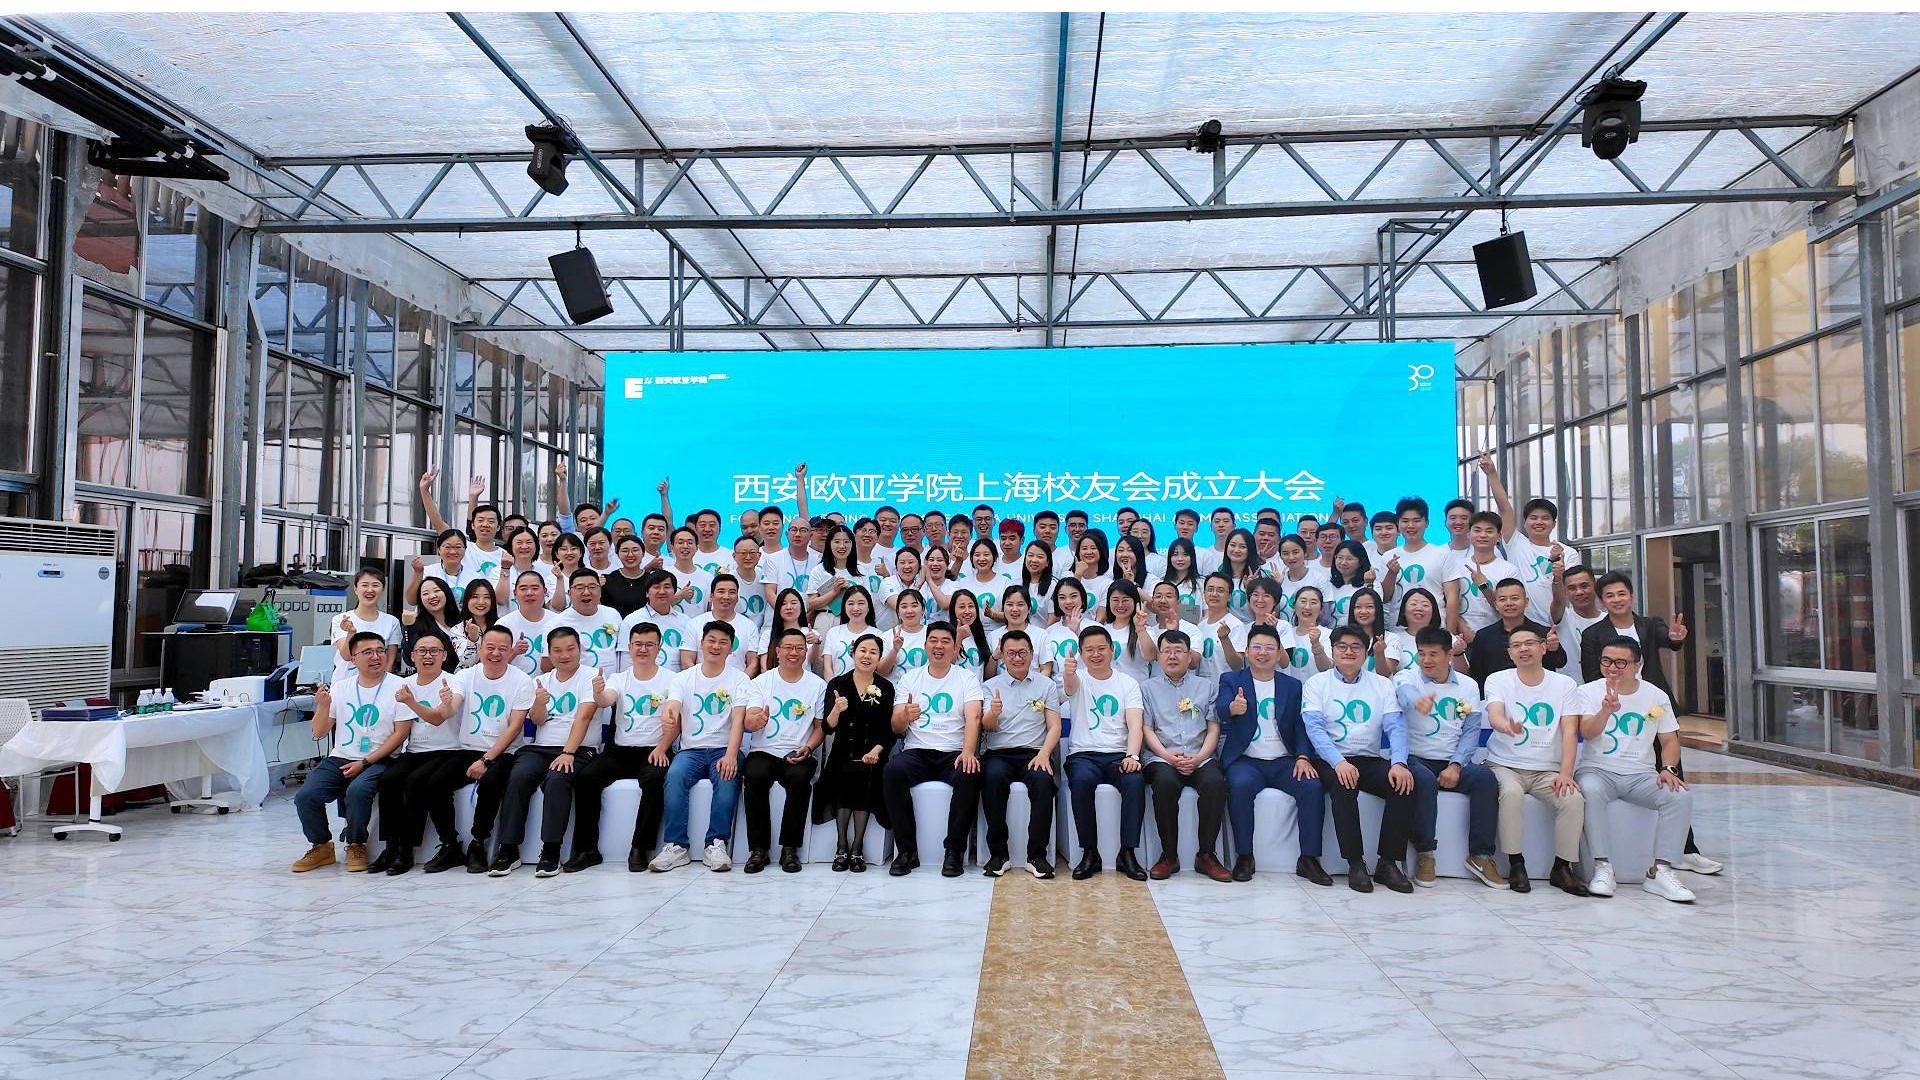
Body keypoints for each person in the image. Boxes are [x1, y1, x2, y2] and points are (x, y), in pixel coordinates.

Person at [1578, 571, 1720, 874]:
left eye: (1621, 593)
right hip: (1613, 708)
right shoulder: (1593, 634)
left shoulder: (1649, 624)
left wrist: (1677, 638)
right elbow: (1592, 673)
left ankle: (1686, 850)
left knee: (1671, 776)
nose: (1616, 599)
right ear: (1602, 601)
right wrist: (1609, 700)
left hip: (1651, 708)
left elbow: (1670, 639)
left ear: (1631, 596)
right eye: (1609, 595)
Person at [1573, 637, 1698, 903]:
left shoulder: (1656, 696)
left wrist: (1668, 769)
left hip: (1641, 774)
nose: (1612, 668)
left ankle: (1660, 871)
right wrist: (1605, 711)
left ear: (1637, 665)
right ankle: (1602, 867)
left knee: (1679, 796)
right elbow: (1587, 732)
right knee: (1590, 791)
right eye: (1607, 661)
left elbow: (1669, 740)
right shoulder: (1587, 692)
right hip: (1597, 770)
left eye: (1621, 662)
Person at [1300, 625, 1420, 893]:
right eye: (1342, 646)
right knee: (1344, 785)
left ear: (1366, 652)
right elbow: (1315, 730)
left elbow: (1396, 727)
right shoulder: (1316, 683)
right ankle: (1355, 862)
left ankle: (1388, 863)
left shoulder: (1382, 684)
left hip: (1369, 758)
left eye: (1356, 646)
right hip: (1332, 758)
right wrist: (1338, 762)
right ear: (1333, 650)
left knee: (1403, 784)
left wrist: (1399, 763)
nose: (1348, 651)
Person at [1217, 624, 1330, 885]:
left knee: (1312, 787)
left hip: (1284, 760)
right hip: (1246, 760)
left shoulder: (1293, 685)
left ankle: (1309, 858)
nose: (1263, 653)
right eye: (1257, 647)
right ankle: (1245, 856)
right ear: (1247, 651)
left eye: (1270, 648)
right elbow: (1221, 709)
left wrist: (1303, 756)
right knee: (1240, 786)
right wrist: (1233, 708)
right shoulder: (1231, 680)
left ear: (1279, 654)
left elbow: (1301, 725)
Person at [292, 631, 412, 873]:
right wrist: (323, 706)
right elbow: (319, 732)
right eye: (368, 652)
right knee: (306, 796)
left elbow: (400, 734)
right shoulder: (340, 687)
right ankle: (321, 845)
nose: (376, 656)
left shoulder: (399, 687)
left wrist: (365, 763)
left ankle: (356, 844)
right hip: (341, 757)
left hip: (382, 758)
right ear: (353, 658)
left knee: (358, 791)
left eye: (380, 651)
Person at [1483, 626, 1589, 896]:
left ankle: (1562, 867)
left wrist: (1566, 773)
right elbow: (1494, 714)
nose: (1523, 649)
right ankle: (1516, 863)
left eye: (1529, 643)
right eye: (1516, 645)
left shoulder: (1564, 684)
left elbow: (1569, 731)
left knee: (1572, 799)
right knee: (1511, 794)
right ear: (1509, 652)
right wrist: (1505, 726)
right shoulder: (1498, 679)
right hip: (1505, 764)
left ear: (1543, 647)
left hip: (1547, 770)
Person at [1395, 627, 1502, 889]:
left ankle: (1481, 855)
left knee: (1486, 780)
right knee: (1422, 780)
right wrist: (1418, 700)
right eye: (1421, 653)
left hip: (1451, 759)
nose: (1426, 660)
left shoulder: (1468, 685)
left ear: (1449, 655)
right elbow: (1404, 691)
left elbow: (1471, 731)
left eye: (1433, 654)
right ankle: (1425, 853)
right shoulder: (1407, 676)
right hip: (1416, 758)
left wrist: (1455, 764)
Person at [490, 625, 601, 877]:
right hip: (540, 748)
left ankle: (551, 850)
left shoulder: (591, 677)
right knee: (518, 777)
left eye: (570, 649)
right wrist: (539, 704)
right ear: (549, 653)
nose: (564, 655)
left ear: (580, 649)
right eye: (557, 650)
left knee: (557, 779)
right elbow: (538, 720)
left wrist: (568, 752)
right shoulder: (540, 680)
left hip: (578, 749)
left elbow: (584, 718)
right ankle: (508, 849)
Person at [883, 623, 988, 877]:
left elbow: (974, 718)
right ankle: (906, 851)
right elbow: (896, 725)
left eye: (945, 641)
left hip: (953, 752)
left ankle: (954, 851)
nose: (939, 646)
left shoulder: (966, 678)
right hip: (917, 750)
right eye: (933, 640)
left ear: (954, 647)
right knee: (892, 771)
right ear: (925, 645)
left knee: (970, 772)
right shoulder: (910, 678)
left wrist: (968, 751)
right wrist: (905, 716)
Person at [571, 622, 677, 873]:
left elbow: (675, 719)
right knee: (586, 778)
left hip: (654, 749)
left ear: (659, 648)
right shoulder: (619, 678)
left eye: (649, 645)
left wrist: (662, 747)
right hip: (620, 751)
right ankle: (586, 850)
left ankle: (641, 847)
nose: (643, 649)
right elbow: (606, 699)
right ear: (629, 647)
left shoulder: (672, 679)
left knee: (655, 781)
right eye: (638, 644)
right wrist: (598, 693)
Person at [652, 621, 753, 872]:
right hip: (691, 750)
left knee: (727, 778)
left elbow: (739, 719)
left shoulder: (739, 679)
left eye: (723, 642)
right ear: (701, 643)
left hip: (723, 748)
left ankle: (716, 844)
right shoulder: (683, 678)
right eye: (711, 640)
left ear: (731, 648)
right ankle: (676, 845)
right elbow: (673, 705)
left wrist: (731, 755)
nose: (716, 646)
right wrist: (668, 714)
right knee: (675, 776)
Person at [367, 631, 461, 876]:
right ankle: (391, 846)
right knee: (388, 780)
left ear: (444, 655)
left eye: (434, 651)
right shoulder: (404, 684)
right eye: (422, 651)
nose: (428, 656)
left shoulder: (452, 682)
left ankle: (407, 850)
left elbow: (439, 718)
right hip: (415, 751)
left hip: (448, 750)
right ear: (412, 656)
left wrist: (412, 702)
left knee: (416, 782)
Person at [1139, 630, 1230, 881]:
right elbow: (1146, 729)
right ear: (1158, 656)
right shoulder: (1147, 688)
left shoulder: (1207, 687)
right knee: (1164, 783)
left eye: (1178, 651)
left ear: (1189, 657)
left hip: (1200, 755)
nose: (1172, 656)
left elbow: (1213, 728)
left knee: (1215, 783)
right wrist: (1168, 756)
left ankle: (1206, 855)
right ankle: (1169, 856)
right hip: (1162, 756)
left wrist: (1199, 758)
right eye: (1166, 651)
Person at [445, 625, 535, 874]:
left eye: (502, 649)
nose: (495, 653)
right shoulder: (465, 676)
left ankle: (478, 842)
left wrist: (486, 760)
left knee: (491, 782)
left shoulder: (522, 680)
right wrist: (446, 704)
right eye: (490, 647)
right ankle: (449, 844)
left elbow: (515, 727)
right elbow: (452, 706)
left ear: (510, 651)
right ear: (480, 648)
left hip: (504, 752)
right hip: (466, 749)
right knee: (434, 781)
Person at [1061, 625, 1149, 881]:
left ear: (1112, 650)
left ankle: (1127, 852)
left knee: (1134, 781)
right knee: (1081, 781)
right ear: (1081, 654)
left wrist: (1132, 756)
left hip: (1119, 754)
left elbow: (1135, 725)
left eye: (1101, 648)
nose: (1096, 654)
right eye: (1089, 650)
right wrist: (1068, 672)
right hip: (1083, 754)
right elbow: (1069, 687)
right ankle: (1090, 852)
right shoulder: (1078, 677)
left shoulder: (1128, 683)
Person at [741, 627, 828, 873]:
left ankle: (790, 849)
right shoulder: (761, 682)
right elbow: (749, 718)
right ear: (777, 651)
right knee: (755, 776)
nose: (794, 653)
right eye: (788, 647)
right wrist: (756, 720)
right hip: (764, 750)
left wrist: (808, 747)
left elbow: (820, 727)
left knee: (800, 780)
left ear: (806, 652)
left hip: (798, 751)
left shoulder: (817, 685)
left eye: (799, 648)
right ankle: (758, 850)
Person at [978, 628, 1062, 878]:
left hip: (1035, 752)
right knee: (992, 778)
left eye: (1022, 652)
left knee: (1043, 781)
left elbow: (1054, 726)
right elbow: (987, 727)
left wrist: (1044, 755)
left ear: (1032, 654)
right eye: (1011, 653)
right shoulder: (990, 686)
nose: (1017, 658)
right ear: (1002, 656)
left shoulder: (1046, 685)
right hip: (999, 752)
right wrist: (993, 713)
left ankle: (1037, 856)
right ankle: (998, 854)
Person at [815, 633, 895, 871]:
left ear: (879, 658)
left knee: (865, 774)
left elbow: (887, 730)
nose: (867, 656)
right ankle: (841, 846)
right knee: (844, 771)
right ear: (853, 652)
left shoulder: (885, 687)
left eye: (873, 652)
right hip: (843, 751)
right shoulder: (837, 684)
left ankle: (857, 847)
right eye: (863, 650)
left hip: (873, 753)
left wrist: (877, 751)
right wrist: (836, 710)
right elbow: (827, 728)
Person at [1479, 451, 1576, 627]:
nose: (1539, 522)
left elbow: (1570, 591)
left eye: (1545, 518)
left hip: (1556, 625)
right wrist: (1492, 474)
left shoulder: (1568, 553)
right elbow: (1504, 508)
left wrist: (1558, 569)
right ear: (1525, 523)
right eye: (1533, 518)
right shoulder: (1516, 543)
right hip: (1519, 625)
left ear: (1554, 524)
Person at [1464, 579, 1568, 686]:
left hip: (1539, 691)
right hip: (1498, 693)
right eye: (1503, 599)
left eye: (1515, 598)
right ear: (1496, 604)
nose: (1509, 603)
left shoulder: (1543, 632)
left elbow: (1561, 663)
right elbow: (1476, 673)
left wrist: (1554, 649)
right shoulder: (1484, 636)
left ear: (1526, 602)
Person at [1379, 497, 1461, 629]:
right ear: (1398, 524)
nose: (1410, 526)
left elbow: (1452, 598)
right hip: (1398, 630)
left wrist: (1450, 634)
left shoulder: (1443, 555)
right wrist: (1391, 574)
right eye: (1405, 521)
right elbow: (1384, 598)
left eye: (1416, 521)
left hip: (1434, 630)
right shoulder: (1388, 557)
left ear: (1426, 523)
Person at [1451, 511, 1523, 634]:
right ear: (1468, 534)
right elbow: (1449, 603)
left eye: (1489, 531)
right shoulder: (1455, 566)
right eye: (1477, 530)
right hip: (1461, 636)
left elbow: (1508, 608)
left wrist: (1484, 586)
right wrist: (1466, 633)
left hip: (1496, 636)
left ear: (1499, 536)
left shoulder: (1509, 570)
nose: (1483, 535)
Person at [331, 568, 402, 681]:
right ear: (355, 589)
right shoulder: (340, 619)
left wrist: (382, 684)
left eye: (375, 585)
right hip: (344, 683)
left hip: (378, 685)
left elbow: (390, 661)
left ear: (383, 590)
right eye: (364, 585)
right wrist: (351, 633)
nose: (370, 590)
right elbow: (346, 656)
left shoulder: (392, 622)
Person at [619, 569, 689, 675]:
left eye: (667, 587)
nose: (662, 591)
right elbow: (626, 663)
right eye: (656, 587)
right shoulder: (632, 620)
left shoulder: (686, 621)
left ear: (674, 591)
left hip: (677, 681)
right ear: (647, 593)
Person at [554, 568, 623, 675]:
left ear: (600, 591)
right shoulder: (558, 623)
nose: (586, 592)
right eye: (579, 588)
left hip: (614, 682)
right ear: (570, 593)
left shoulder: (613, 614)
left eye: (592, 587)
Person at [495, 569, 559, 676]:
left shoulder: (558, 622)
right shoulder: (503, 625)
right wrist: (514, 652)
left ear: (545, 591)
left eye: (535, 588)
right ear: (515, 593)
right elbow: (493, 665)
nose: (529, 593)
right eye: (523, 589)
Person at [1554, 565, 1607, 678]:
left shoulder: (1608, 620)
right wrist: (1557, 578)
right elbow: (1558, 602)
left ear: (1595, 586)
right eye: (1572, 588)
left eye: (1584, 586)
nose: (1579, 592)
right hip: (1570, 685)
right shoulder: (1563, 616)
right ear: (1565, 592)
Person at [599, 534, 654, 617]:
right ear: (617, 554)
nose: (630, 555)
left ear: (643, 553)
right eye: (625, 551)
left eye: (635, 550)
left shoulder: (652, 580)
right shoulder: (607, 580)